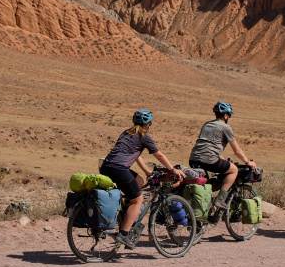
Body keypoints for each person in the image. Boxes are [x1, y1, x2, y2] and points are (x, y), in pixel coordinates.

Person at [99, 109, 185, 249]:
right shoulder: (144, 136)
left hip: (106, 166)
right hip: (120, 169)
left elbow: (136, 154)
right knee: (138, 199)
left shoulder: (126, 132)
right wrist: (173, 170)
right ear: (148, 124)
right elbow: (159, 156)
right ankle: (123, 234)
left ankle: (127, 216)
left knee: (139, 181)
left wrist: (146, 171)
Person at [188, 101, 257, 210]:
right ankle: (219, 200)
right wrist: (248, 162)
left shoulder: (207, 124)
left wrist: (225, 161)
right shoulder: (225, 127)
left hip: (193, 158)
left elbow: (208, 146)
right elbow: (237, 150)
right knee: (234, 170)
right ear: (225, 115)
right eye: (229, 115)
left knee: (206, 185)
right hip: (209, 160)